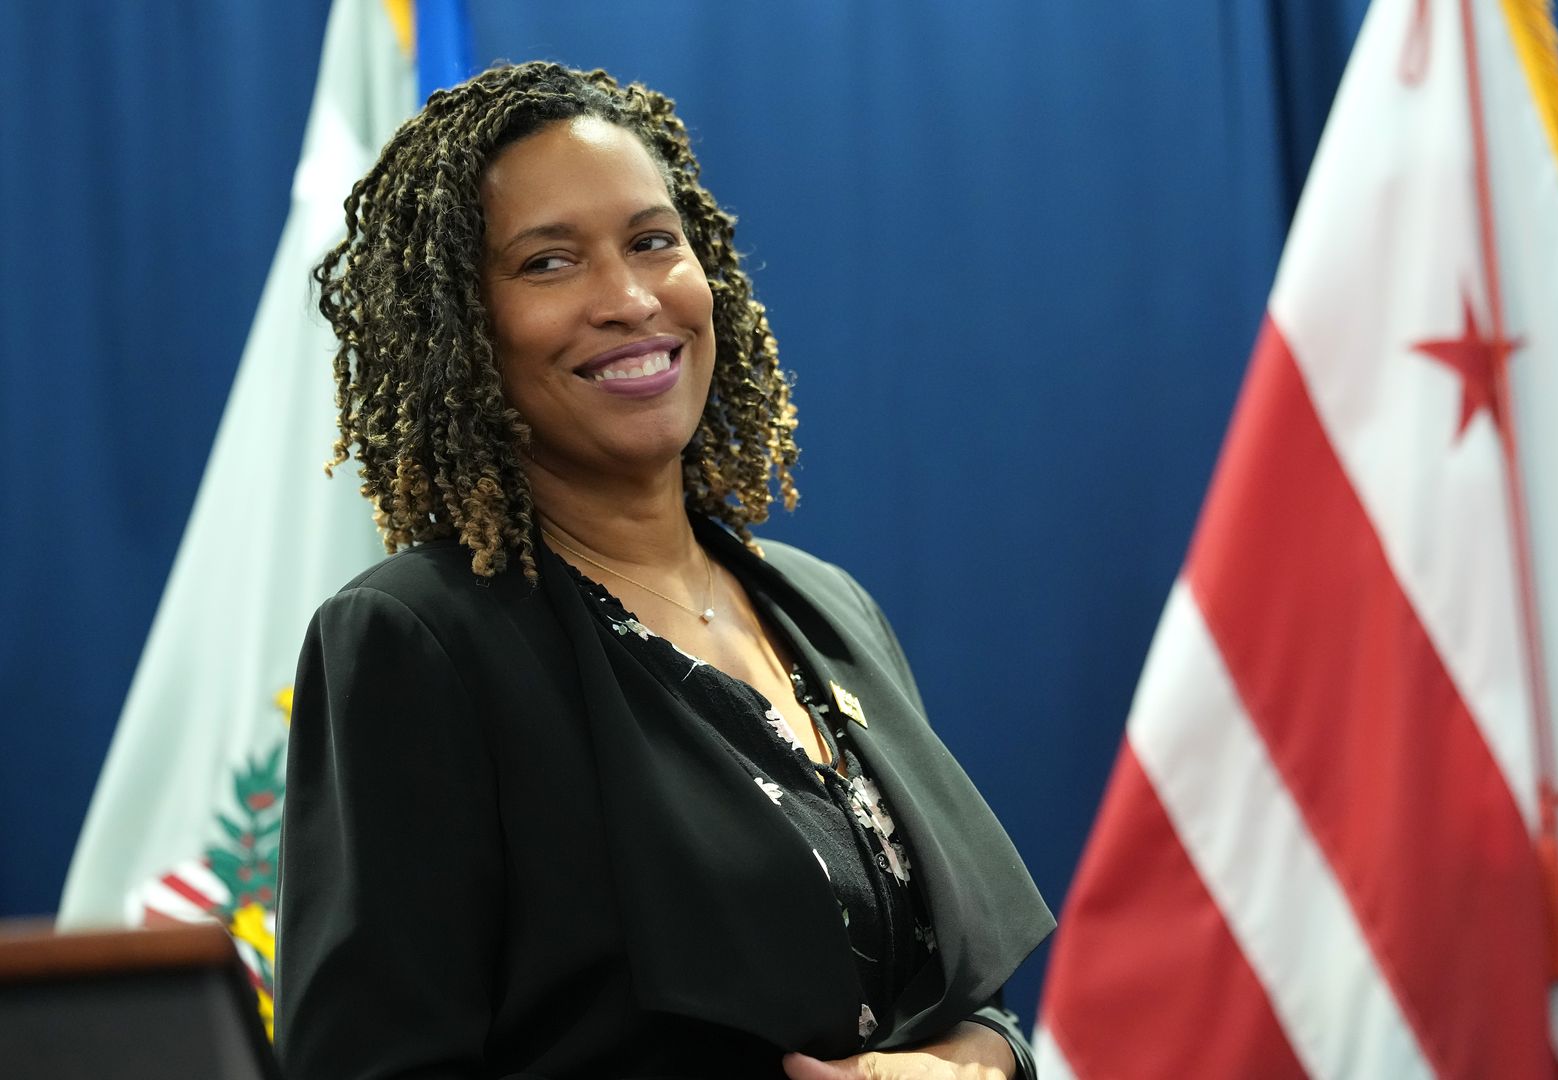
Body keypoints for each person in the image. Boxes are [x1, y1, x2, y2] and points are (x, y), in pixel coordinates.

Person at [275, 61, 1054, 1080]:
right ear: (459, 329)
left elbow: (952, 994)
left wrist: (976, 1066)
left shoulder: (826, 608)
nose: (631, 299)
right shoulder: (418, 640)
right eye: (549, 263)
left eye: (652, 241)